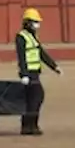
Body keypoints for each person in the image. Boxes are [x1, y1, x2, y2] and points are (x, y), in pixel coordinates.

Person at [17, 7, 61, 136]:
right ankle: (30, 126)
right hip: (28, 73)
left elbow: (41, 53)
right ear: (27, 22)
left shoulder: (33, 36)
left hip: (35, 72)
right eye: (35, 22)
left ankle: (28, 126)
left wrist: (54, 66)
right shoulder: (21, 37)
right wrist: (24, 74)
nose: (37, 25)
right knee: (36, 98)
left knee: (32, 99)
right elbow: (22, 57)